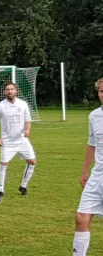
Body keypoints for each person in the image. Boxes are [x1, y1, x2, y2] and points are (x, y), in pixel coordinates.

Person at [72, 78, 103, 256]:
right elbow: (92, 143)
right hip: (97, 176)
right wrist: (85, 171)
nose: (102, 94)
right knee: (81, 217)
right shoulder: (94, 116)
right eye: (101, 91)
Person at [0, 82, 36, 197]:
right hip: (7, 142)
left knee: (32, 162)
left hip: (22, 140)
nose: (10, 91)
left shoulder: (23, 104)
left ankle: (23, 185)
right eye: (7, 89)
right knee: (4, 164)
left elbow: (28, 121)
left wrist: (27, 130)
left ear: (16, 91)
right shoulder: (0, 106)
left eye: (12, 89)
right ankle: (0, 189)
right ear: (4, 92)